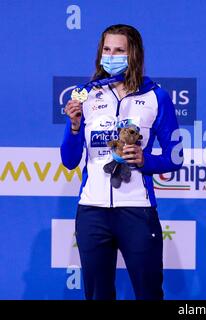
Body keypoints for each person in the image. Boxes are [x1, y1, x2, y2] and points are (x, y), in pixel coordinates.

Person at [61, 24, 183, 300]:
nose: (111, 55)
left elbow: (175, 157)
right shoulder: (85, 95)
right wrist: (74, 127)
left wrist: (145, 160)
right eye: (106, 49)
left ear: (133, 55)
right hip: (92, 212)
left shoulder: (156, 97)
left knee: (149, 293)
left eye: (119, 50)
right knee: (97, 295)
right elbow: (69, 160)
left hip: (137, 211)